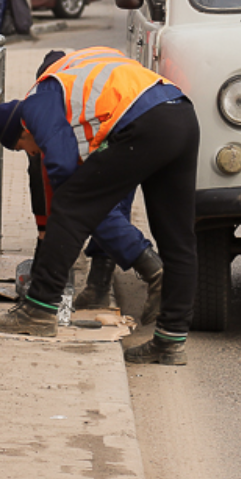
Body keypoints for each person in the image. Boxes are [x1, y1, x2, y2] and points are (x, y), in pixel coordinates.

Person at [0, 47, 199, 366]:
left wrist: (70, 216)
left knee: (69, 202)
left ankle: (39, 308)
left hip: (148, 122)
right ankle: (170, 342)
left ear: (23, 130)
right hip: (180, 112)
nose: (31, 154)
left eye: (23, 148)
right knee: (179, 239)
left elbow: (60, 166)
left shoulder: (37, 101)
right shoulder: (76, 70)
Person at [25, 51, 164, 324]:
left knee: (102, 206)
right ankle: (100, 285)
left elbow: (54, 175)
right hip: (147, 115)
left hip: (125, 125)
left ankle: (107, 281)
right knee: (101, 205)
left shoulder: (57, 94)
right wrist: (46, 228)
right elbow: (42, 176)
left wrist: (58, 228)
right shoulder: (76, 83)